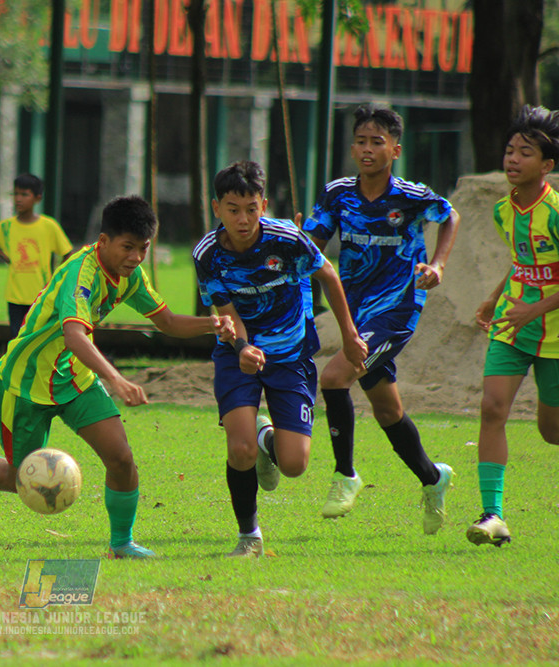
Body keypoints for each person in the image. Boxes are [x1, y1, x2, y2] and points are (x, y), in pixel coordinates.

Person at [0, 195, 232, 559]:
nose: (136, 257)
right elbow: (74, 336)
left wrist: (213, 324)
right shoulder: (82, 273)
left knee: (121, 458)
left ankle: (121, 543)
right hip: (25, 382)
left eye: (143, 248)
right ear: (104, 241)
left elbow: (168, 322)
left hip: (75, 377)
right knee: (20, 480)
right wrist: (117, 379)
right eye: (128, 247)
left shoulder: (130, 276)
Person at [193, 161, 367, 558]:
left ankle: (265, 434)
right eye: (233, 209)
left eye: (252, 208)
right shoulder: (207, 253)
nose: (244, 219)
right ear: (216, 207)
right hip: (238, 355)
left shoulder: (287, 238)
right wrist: (242, 349)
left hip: (290, 355)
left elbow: (329, 276)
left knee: (293, 465)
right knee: (239, 452)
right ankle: (249, 535)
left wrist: (350, 337)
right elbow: (224, 313)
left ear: (264, 204)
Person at [302, 104, 461, 533]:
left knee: (334, 378)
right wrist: (298, 241)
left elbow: (450, 216)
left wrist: (439, 267)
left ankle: (345, 474)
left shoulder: (410, 196)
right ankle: (433, 478)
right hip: (355, 310)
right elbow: (314, 240)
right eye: (361, 141)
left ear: (396, 149)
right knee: (388, 410)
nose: (368, 149)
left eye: (377, 142)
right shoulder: (338, 193)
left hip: (397, 309)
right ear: (352, 147)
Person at [467, 105, 559, 547]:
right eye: (509, 150)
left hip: (554, 332)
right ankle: (494, 515)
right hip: (512, 324)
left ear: (547, 167)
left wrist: (535, 310)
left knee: (551, 431)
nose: (513, 159)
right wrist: (495, 296)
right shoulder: (504, 212)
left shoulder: (556, 211)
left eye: (525, 152)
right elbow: (523, 262)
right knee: (492, 408)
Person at [0, 173, 73, 339]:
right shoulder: (6, 227)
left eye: (24, 194)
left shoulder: (48, 226)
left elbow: (67, 253)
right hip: (15, 294)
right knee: (17, 336)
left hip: (41, 293)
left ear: (38, 198)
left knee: (38, 336)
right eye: (15, 194)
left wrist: (58, 278)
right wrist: (4, 256)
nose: (18, 199)